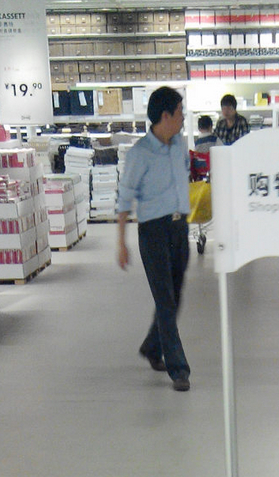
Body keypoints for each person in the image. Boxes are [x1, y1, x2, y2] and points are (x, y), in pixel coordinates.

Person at [117, 85, 192, 392]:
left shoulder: (180, 145)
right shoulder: (140, 154)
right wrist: (121, 242)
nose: (183, 118)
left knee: (175, 297)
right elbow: (125, 198)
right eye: (180, 112)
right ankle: (178, 369)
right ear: (165, 115)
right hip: (154, 232)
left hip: (179, 228)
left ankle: (152, 346)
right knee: (164, 300)